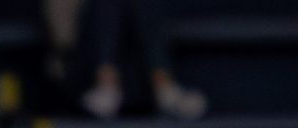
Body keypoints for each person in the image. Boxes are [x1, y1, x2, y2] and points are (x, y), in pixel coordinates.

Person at [62, 0, 207, 121]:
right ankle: (109, 83)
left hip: (137, 77)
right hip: (83, 70)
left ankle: (162, 86)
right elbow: (61, 37)